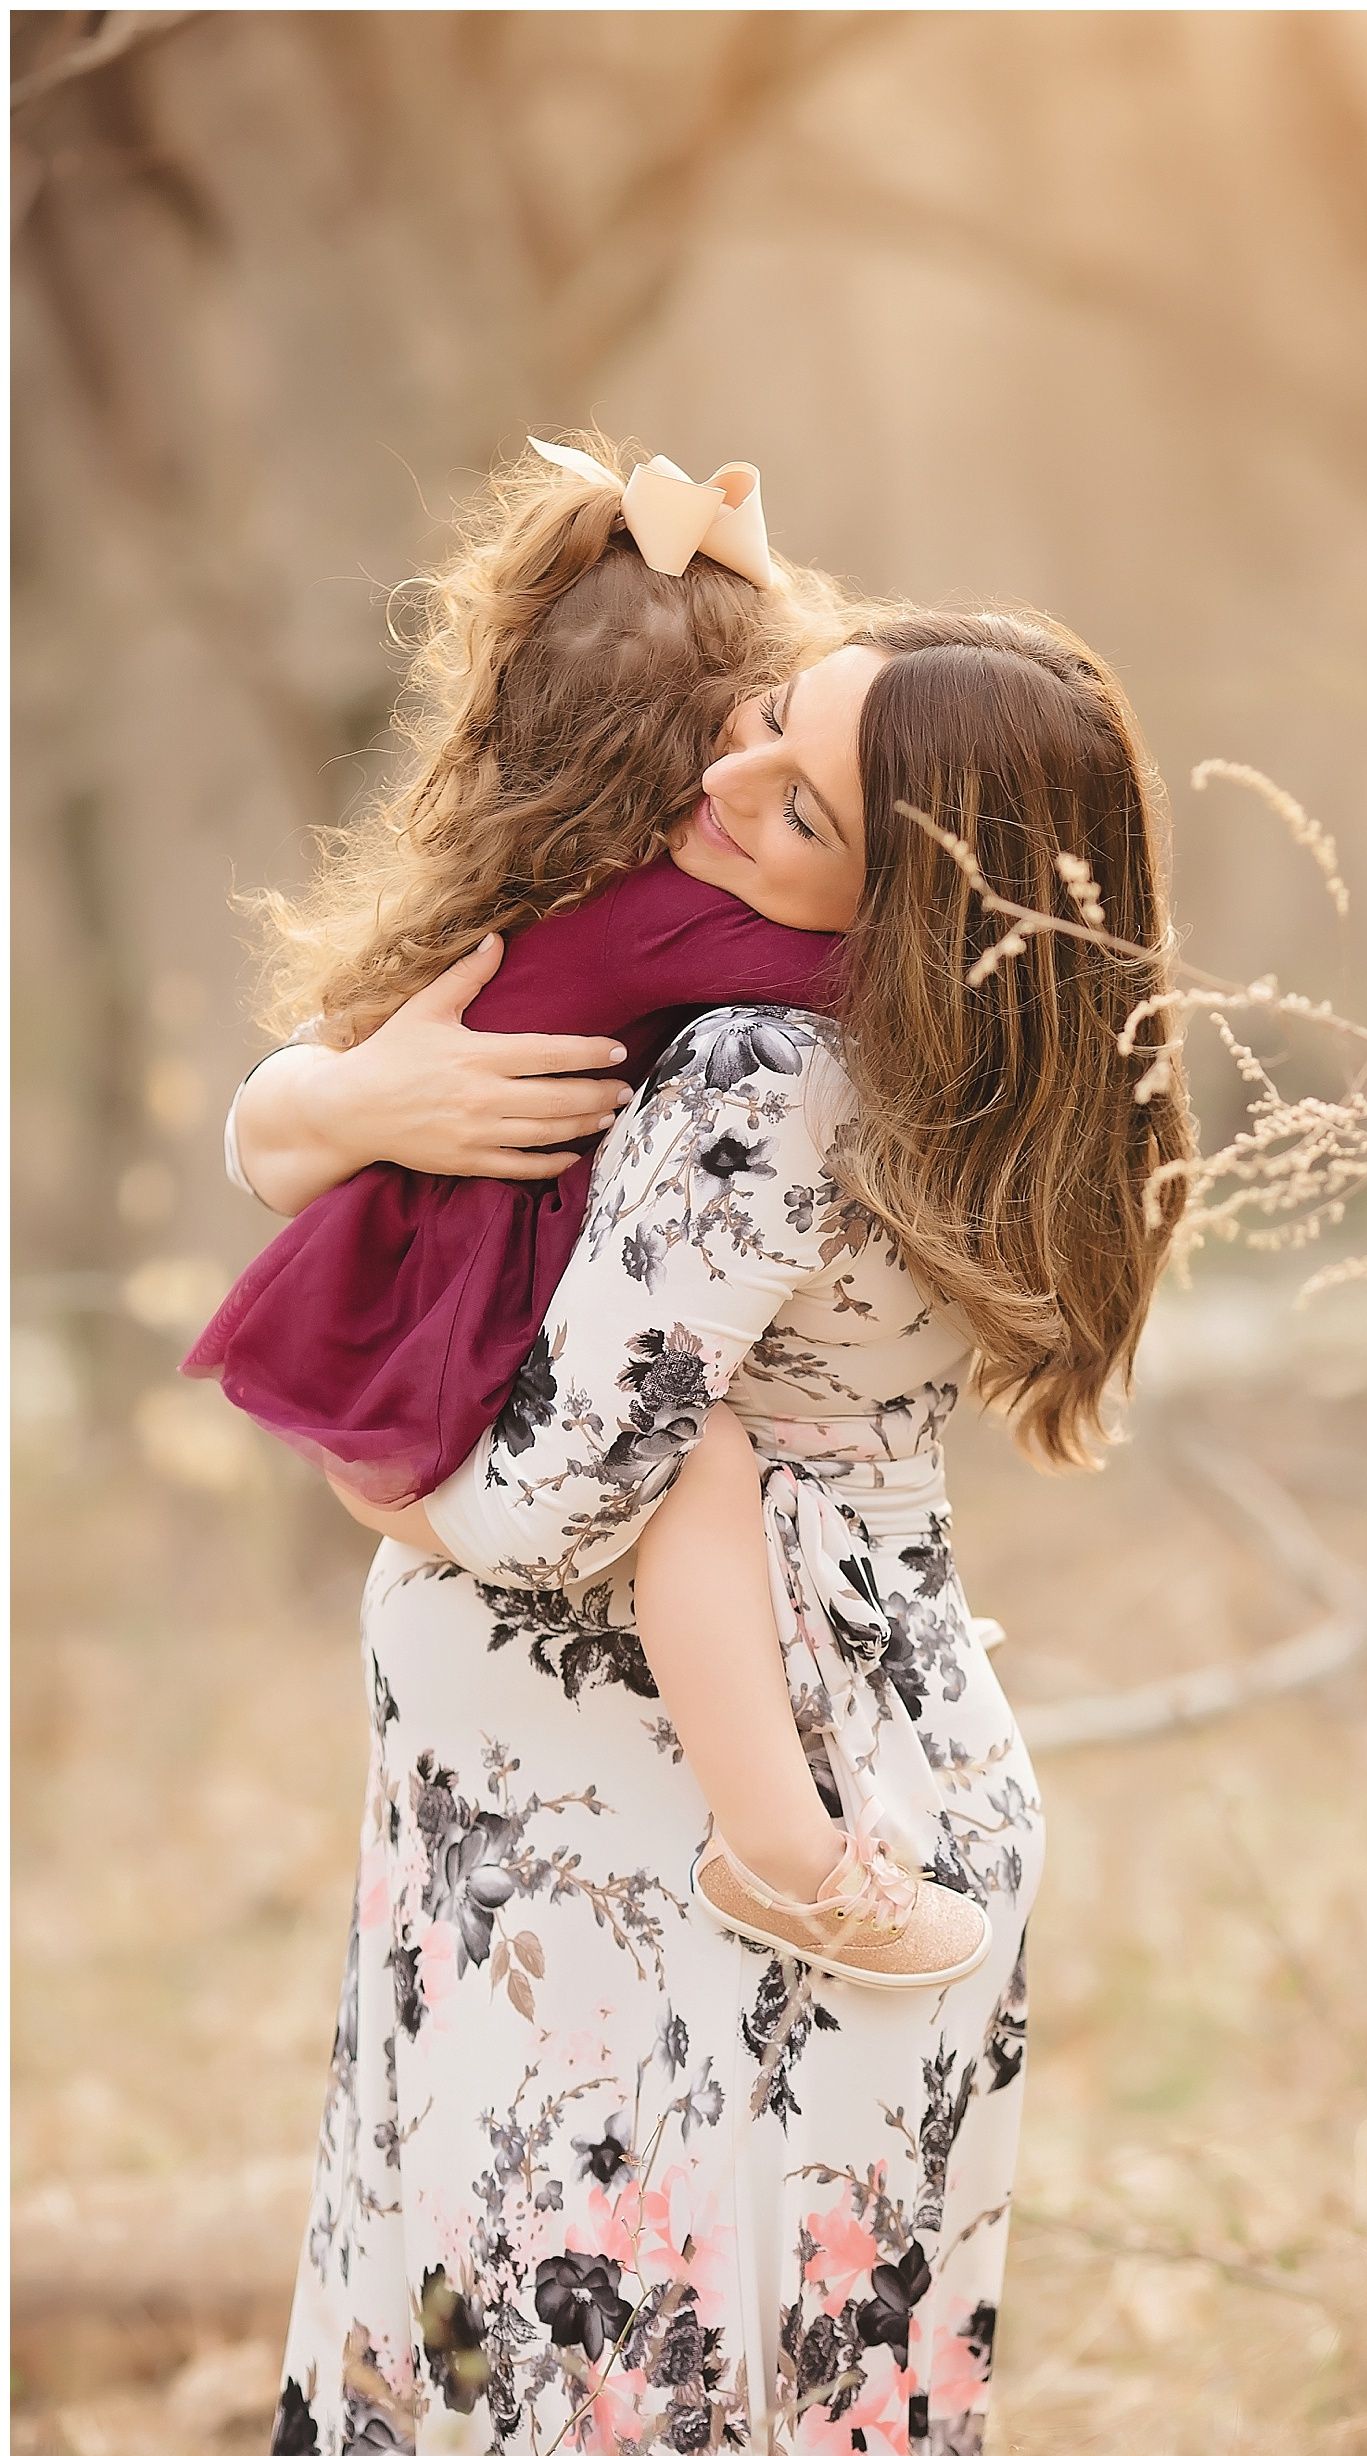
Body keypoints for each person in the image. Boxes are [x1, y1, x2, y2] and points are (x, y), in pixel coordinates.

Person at [226, 602, 1196, 2456]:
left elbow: (576, 1483)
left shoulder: (768, 1069)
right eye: (767, 718)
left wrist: (384, 1485)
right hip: (893, 1772)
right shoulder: (1003, 1078)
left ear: (915, 892)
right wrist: (303, 1111)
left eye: (808, 801)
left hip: (648, 1832)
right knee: (822, 2440)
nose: (728, 785)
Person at [185, 431, 988, 1988]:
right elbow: (891, 968)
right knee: (704, 1462)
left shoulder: (555, 880)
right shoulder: (670, 921)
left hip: (413, 1283)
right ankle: (788, 1855)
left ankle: (408, 1499)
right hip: (465, 1301)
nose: (743, 785)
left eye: (792, 759)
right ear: (663, 749)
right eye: (749, 727)